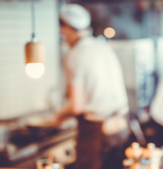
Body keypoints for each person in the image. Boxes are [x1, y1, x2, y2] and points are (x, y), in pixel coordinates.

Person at [56, 4, 130, 169]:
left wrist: (56, 117)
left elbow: (77, 106)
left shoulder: (74, 55)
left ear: (66, 27)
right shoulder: (102, 46)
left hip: (96, 129)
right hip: (120, 123)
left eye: (61, 31)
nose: (62, 35)